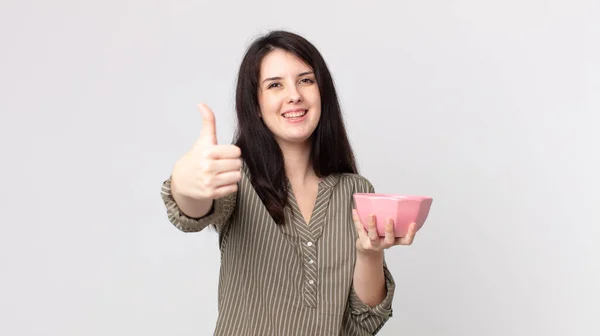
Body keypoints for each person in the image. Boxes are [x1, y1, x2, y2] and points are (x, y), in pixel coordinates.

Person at [160, 30, 418, 336]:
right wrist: (184, 185)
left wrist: (369, 252)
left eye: (306, 80)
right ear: (255, 104)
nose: (294, 94)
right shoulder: (237, 178)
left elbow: (365, 319)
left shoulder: (356, 190)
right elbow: (193, 210)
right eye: (275, 85)